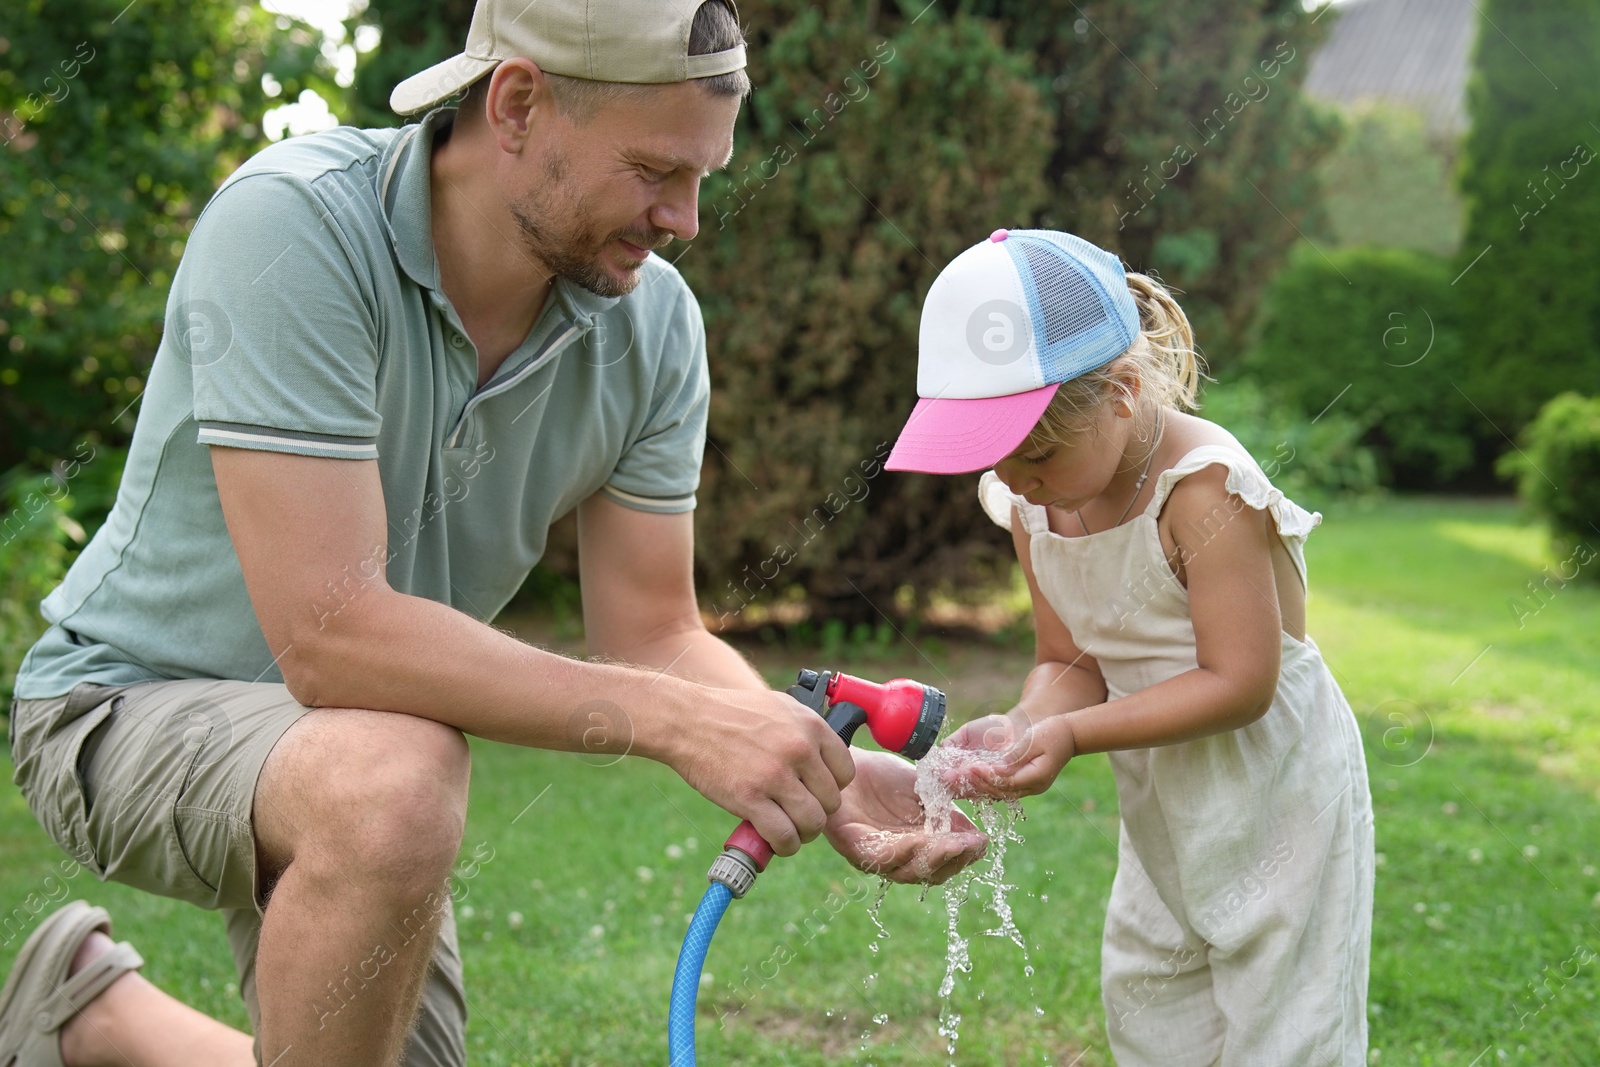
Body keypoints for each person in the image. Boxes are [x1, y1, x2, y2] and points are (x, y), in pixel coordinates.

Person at [0, 3, 985, 1065]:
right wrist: (675, 725)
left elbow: (653, 629)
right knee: (399, 777)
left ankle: (91, 1008)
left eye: (703, 175)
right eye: (656, 169)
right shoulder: (292, 227)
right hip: (125, 704)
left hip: (362, 742)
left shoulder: (653, 325)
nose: (688, 218)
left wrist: (812, 771)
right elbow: (332, 638)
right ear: (517, 103)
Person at [883, 228, 1375, 1065]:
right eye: (997, 461)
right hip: (1164, 802)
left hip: (1279, 793)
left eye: (1035, 453)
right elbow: (1066, 662)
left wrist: (1072, 735)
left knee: (1283, 1026)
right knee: (1153, 1007)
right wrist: (1026, 721)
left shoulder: (1203, 486)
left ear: (1117, 392)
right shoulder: (1034, 504)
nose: (1017, 480)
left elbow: (1241, 681)